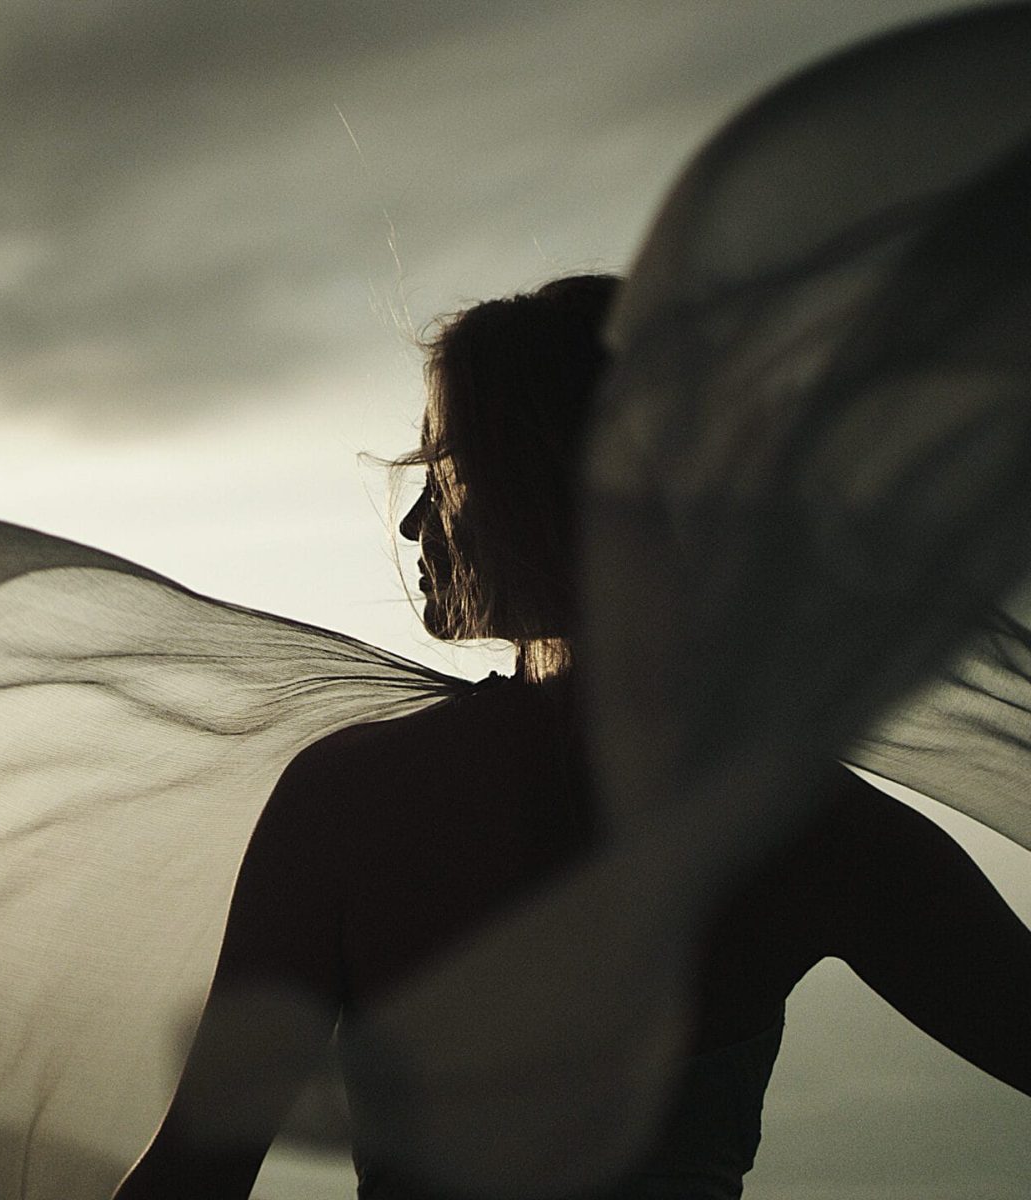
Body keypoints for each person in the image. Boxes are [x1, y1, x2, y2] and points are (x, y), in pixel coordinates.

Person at [112, 274, 1031, 1200]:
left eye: (442, 469)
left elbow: (189, 1181)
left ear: (535, 483)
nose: (415, 519)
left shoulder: (349, 804)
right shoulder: (803, 824)